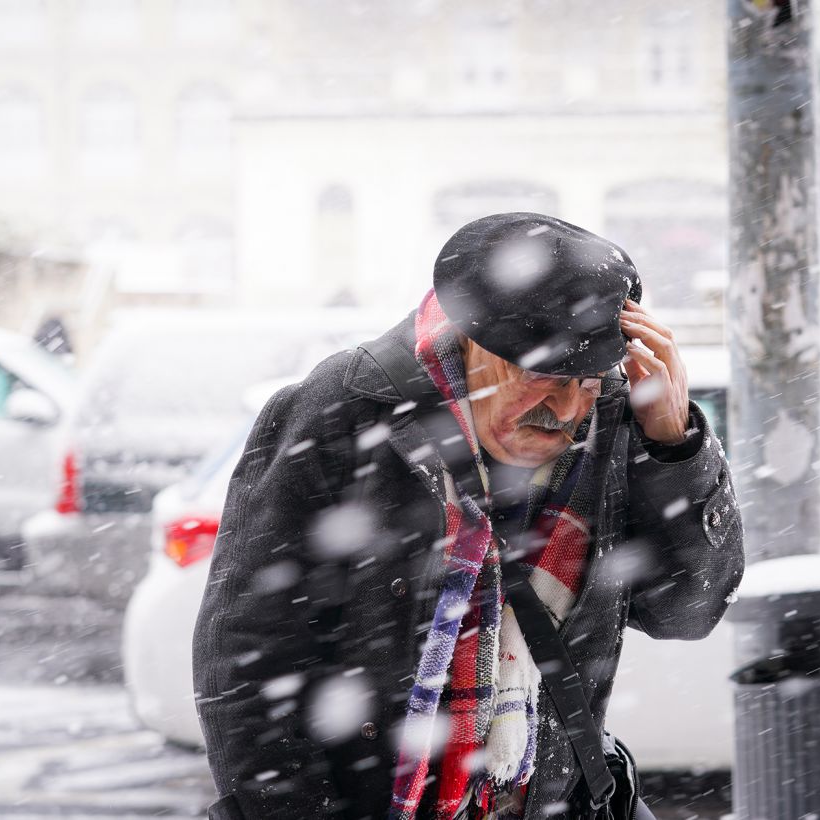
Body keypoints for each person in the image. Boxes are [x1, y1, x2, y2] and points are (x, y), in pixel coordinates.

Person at [194, 212, 745, 820]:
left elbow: (686, 612)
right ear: (471, 339)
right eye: (542, 376)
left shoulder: (616, 421)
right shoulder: (343, 412)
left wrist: (676, 446)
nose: (564, 410)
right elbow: (248, 661)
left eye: (586, 382)